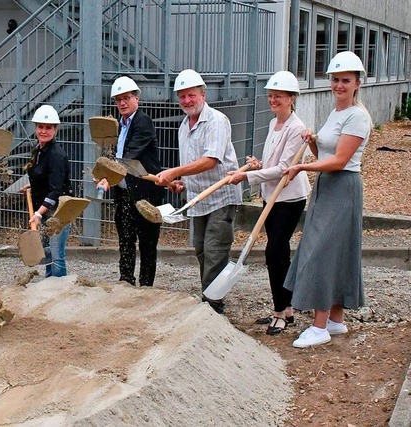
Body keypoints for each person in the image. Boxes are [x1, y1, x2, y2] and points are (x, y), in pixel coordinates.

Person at [282, 51, 372, 348]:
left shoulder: (357, 117)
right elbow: (327, 156)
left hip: (343, 187)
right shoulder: (335, 113)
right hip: (328, 185)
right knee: (336, 250)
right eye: (335, 80)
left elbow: (341, 161)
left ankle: (319, 327)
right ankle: (335, 321)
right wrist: (311, 144)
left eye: (346, 80)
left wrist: (302, 166)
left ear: (358, 83)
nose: (339, 85)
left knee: (322, 251)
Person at [228, 71, 311, 334]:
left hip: (288, 198)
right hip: (270, 196)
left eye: (279, 96)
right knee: (280, 253)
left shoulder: (296, 128)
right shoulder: (273, 123)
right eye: (271, 95)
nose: (273, 100)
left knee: (273, 252)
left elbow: (285, 168)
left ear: (291, 98)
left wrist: (246, 176)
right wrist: (259, 165)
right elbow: (274, 165)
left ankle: (279, 313)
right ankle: (288, 309)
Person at [156, 69, 242, 313]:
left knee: (215, 249)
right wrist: (179, 180)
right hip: (198, 200)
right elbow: (193, 166)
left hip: (220, 197)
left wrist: (174, 171)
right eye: (182, 97)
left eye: (191, 95)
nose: (186, 101)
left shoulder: (216, 121)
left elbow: (210, 160)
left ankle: (212, 305)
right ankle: (210, 296)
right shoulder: (184, 126)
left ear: (203, 95)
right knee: (200, 249)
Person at [97, 76, 164, 287]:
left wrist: (108, 176)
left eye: (126, 98)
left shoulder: (143, 122)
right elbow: (114, 154)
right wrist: (104, 173)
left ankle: (145, 286)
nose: (122, 103)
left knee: (147, 241)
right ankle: (126, 280)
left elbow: (130, 156)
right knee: (125, 238)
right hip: (125, 191)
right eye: (118, 100)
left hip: (145, 192)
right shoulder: (120, 125)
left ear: (137, 99)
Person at [24, 105, 73, 277]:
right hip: (45, 210)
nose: (44, 131)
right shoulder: (38, 150)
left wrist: (38, 214)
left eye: (48, 127)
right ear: (36, 127)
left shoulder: (56, 155)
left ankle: (59, 293)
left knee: (57, 255)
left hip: (59, 212)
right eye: (40, 127)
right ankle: (48, 287)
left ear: (55, 130)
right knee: (48, 254)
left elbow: (56, 190)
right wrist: (33, 186)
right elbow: (43, 177)